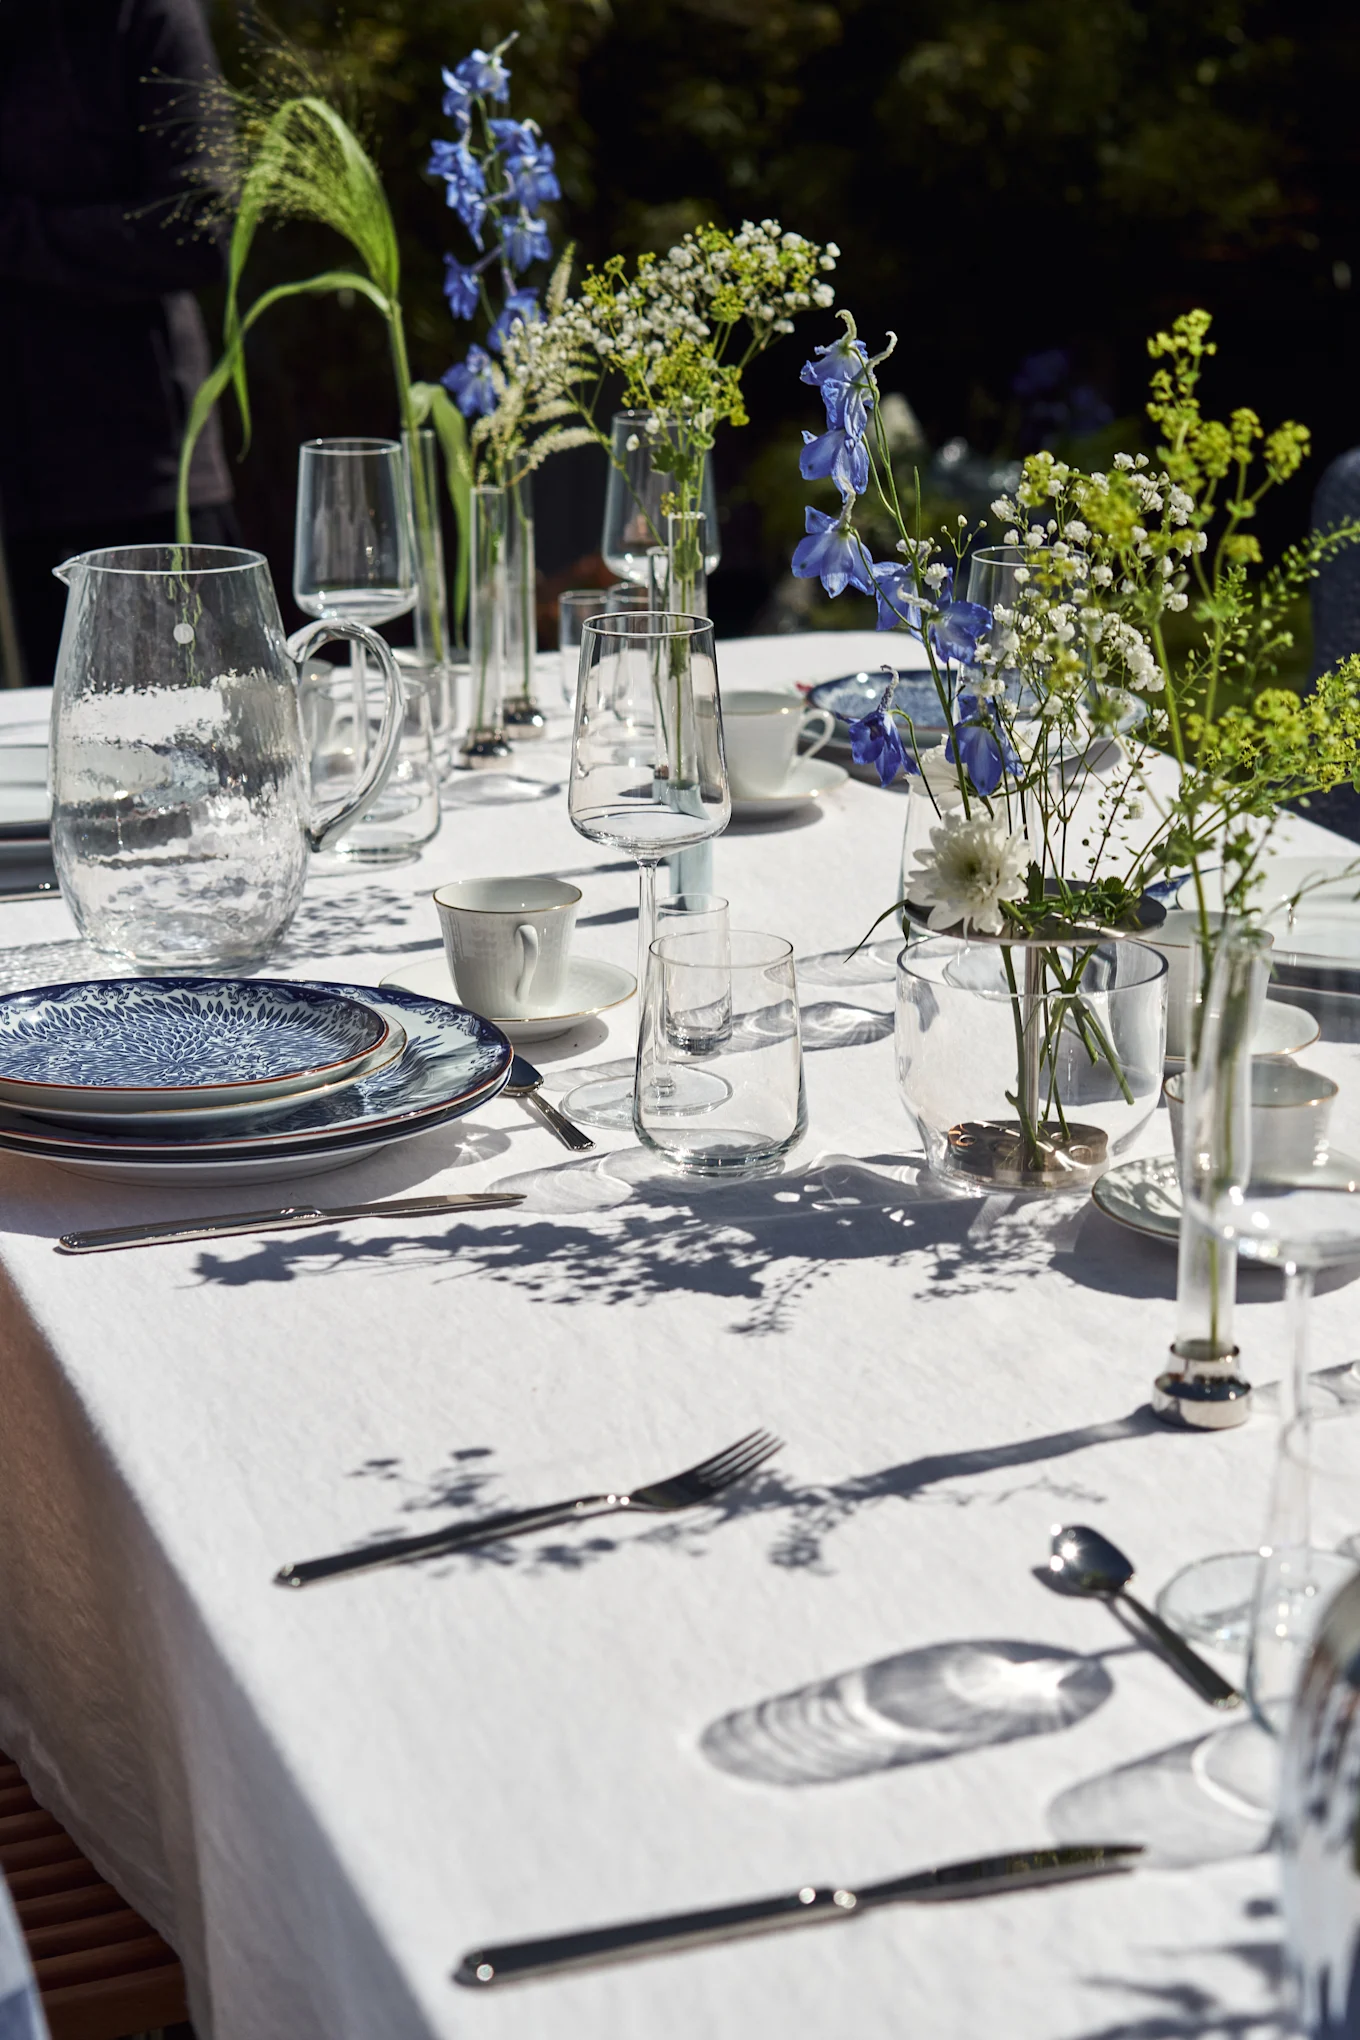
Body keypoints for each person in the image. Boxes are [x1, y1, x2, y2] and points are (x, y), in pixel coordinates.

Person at [0, 0, 236, 687]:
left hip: (147, 476)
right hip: (21, 486)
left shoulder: (149, 16)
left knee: (201, 748)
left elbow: (202, 229)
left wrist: (17, 238)